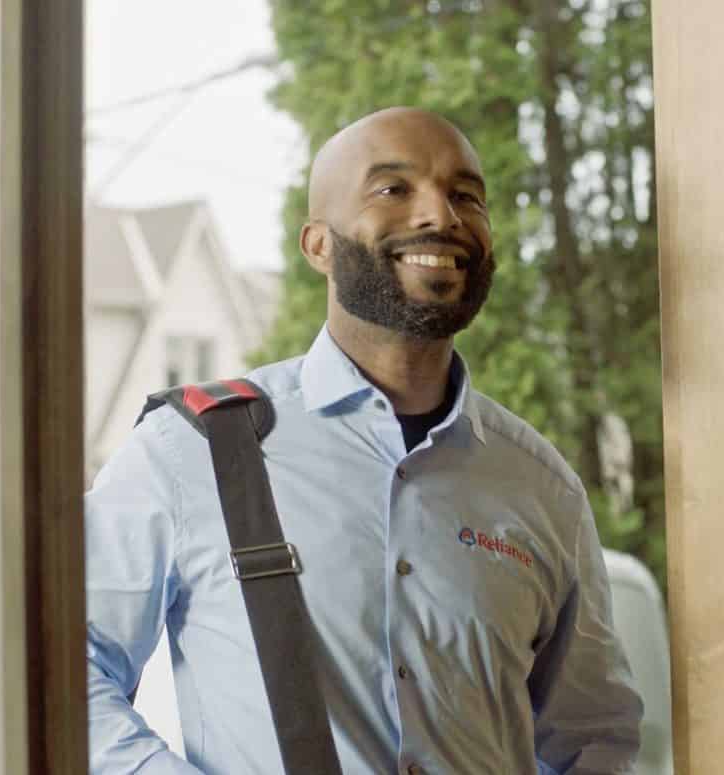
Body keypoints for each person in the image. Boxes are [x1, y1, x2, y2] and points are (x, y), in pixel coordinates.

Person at [85, 107, 643, 774]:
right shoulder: (192, 449)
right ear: (318, 244)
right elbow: (66, 665)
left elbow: (593, 739)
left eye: (467, 195)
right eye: (393, 188)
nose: (441, 214)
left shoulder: (541, 486)